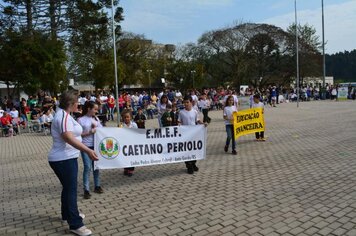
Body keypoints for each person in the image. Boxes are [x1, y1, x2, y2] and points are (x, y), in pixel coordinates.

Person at [48, 90, 98, 236]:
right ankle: (75, 224)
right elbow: (68, 138)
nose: (79, 105)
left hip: (66, 157)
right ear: (71, 103)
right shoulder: (62, 117)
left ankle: (67, 214)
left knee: (68, 187)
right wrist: (88, 151)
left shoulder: (66, 115)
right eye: (77, 102)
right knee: (71, 189)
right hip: (63, 159)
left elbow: (75, 134)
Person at [77, 101, 104, 200]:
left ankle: (97, 186)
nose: (97, 111)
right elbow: (77, 135)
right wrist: (89, 132)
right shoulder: (80, 120)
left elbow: (102, 131)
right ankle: (86, 189)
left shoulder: (96, 119)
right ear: (89, 109)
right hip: (85, 147)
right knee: (87, 167)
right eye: (95, 109)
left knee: (96, 167)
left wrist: (98, 128)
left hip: (96, 146)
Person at [178, 95, 207, 174]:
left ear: (191, 102)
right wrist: (179, 125)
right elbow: (179, 121)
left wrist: (203, 123)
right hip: (185, 135)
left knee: (194, 150)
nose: (186, 104)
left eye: (187, 102)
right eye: (185, 103)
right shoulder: (181, 112)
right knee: (186, 151)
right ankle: (189, 165)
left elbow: (197, 121)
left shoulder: (194, 111)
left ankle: (193, 164)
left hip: (194, 134)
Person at [121, 109, 138, 177]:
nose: (126, 118)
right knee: (125, 157)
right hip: (124, 144)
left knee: (132, 157)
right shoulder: (121, 125)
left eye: (128, 117)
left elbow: (137, 132)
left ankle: (131, 170)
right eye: (125, 117)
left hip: (132, 143)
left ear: (130, 117)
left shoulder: (134, 125)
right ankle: (126, 168)